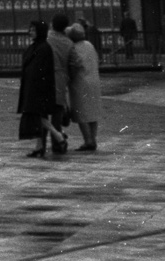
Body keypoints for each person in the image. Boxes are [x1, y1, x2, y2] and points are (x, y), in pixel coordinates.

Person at [17, 21, 65, 158]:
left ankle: (57, 135)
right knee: (39, 115)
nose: (30, 32)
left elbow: (40, 70)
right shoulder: (37, 46)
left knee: (36, 114)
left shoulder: (43, 48)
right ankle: (40, 146)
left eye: (33, 29)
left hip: (37, 89)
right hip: (33, 87)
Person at [66, 23, 102, 152]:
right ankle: (93, 138)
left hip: (80, 83)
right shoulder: (89, 45)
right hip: (94, 81)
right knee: (93, 112)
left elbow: (74, 66)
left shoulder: (73, 48)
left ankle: (88, 141)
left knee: (81, 114)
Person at [46, 14, 75, 154]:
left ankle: (41, 144)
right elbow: (73, 62)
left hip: (45, 77)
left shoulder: (47, 38)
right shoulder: (68, 43)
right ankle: (57, 144)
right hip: (61, 79)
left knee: (42, 113)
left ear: (52, 24)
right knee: (57, 113)